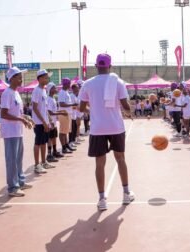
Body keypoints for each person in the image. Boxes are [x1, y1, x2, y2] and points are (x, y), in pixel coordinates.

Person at [79, 53, 135, 211]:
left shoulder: (87, 84)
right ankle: (125, 193)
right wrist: (129, 112)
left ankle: (102, 199)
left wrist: (94, 109)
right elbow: (125, 106)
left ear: (96, 66)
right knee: (120, 159)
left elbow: (81, 108)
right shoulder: (117, 81)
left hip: (97, 128)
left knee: (99, 163)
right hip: (116, 126)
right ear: (110, 66)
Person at [0, 67, 33, 197]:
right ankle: (12, 187)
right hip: (10, 132)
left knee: (18, 158)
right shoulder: (7, 93)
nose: (21, 79)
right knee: (12, 160)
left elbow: (18, 112)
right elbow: (3, 114)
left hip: (17, 131)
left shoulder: (16, 93)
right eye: (19, 76)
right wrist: (20, 119)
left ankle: (20, 181)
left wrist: (26, 117)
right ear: (12, 78)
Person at [31, 69, 55, 173]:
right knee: (38, 143)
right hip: (39, 122)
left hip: (45, 122)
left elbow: (44, 108)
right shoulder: (36, 91)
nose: (47, 79)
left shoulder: (44, 90)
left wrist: (48, 120)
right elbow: (35, 108)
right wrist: (44, 122)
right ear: (40, 78)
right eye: (45, 77)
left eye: (47, 77)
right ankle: (37, 165)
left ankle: (44, 162)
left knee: (44, 142)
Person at [46, 82, 66, 162]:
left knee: (54, 137)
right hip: (50, 122)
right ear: (50, 90)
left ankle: (54, 151)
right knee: (50, 138)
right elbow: (49, 112)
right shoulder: (49, 99)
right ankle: (49, 154)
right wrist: (61, 113)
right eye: (54, 88)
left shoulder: (53, 98)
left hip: (54, 121)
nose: (56, 89)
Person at [58, 78, 77, 153]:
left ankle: (66, 145)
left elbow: (67, 104)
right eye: (69, 84)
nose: (70, 85)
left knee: (65, 131)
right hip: (63, 114)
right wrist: (72, 104)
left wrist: (73, 106)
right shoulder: (62, 92)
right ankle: (63, 147)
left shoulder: (66, 92)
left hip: (67, 114)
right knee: (62, 132)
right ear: (65, 84)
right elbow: (61, 104)